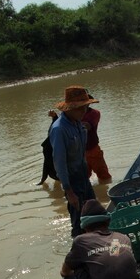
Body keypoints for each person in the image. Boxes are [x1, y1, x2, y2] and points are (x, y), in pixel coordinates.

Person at [60, 199, 140, 279]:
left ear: (85, 227)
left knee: (78, 265)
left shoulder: (81, 240)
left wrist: (69, 273)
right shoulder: (121, 238)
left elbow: (65, 271)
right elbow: (113, 257)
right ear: (107, 222)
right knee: (114, 257)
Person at [49, 85, 97, 238]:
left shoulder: (77, 123)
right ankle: (78, 254)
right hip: (72, 183)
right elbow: (59, 162)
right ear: (70, 108)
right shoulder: (59, 129)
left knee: (94, 214)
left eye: (86, 107)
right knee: (78, 224)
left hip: (84, 178)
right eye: (81, 108)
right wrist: (69, 192)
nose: (85, 111)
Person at [82, 99, 112, 184]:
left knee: (104, 177)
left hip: (93, 149)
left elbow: (87, 126)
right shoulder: (71, 116)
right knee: (83, 178)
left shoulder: (94, 113)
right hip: (79, 152)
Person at [38, 110, 59, 185]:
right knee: (49, 164)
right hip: (50, 148)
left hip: (52, 148)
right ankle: (43, 180)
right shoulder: (58, 125)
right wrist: (54, 116)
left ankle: (43, 180)